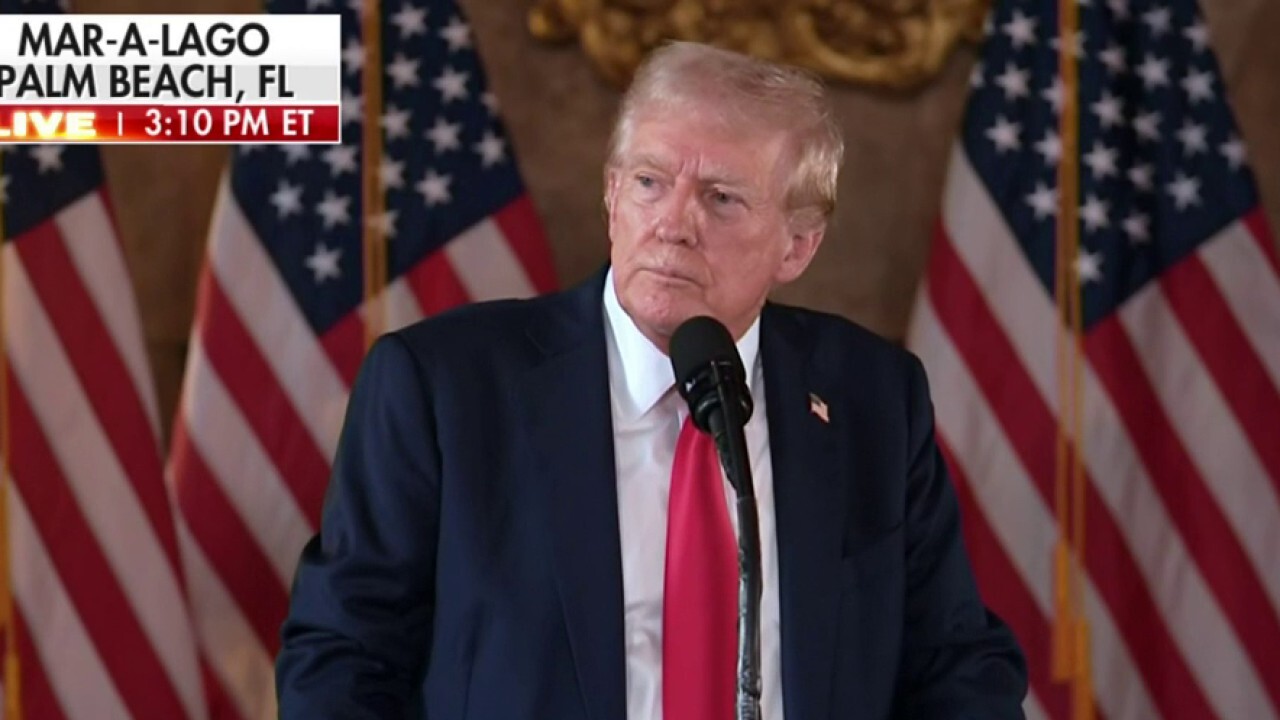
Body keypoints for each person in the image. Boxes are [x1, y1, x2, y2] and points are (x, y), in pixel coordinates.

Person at [276, 40, 1027, 719]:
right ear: (610, 197)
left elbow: (953, 664)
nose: (673, 222)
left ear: (797, 245)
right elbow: (341, 660)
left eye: (721, 198)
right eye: (648, 181)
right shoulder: (443, 388)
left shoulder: (872, 398)